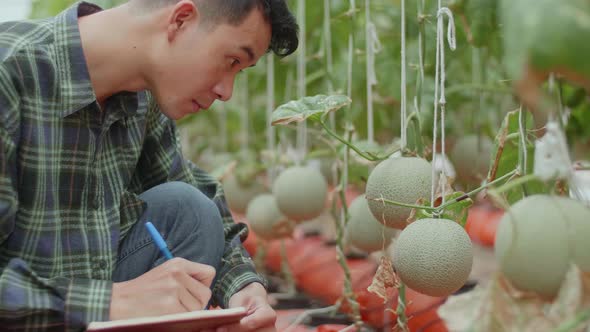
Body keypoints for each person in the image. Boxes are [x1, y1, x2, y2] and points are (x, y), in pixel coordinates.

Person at [0, 0, 298, 331]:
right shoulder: (9, 72)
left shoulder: (144, 98)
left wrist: (244, 289)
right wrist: (113, 302)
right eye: (231, 61)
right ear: (181, 20)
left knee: (190, 210)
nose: (226, 91)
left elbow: (193, 194)